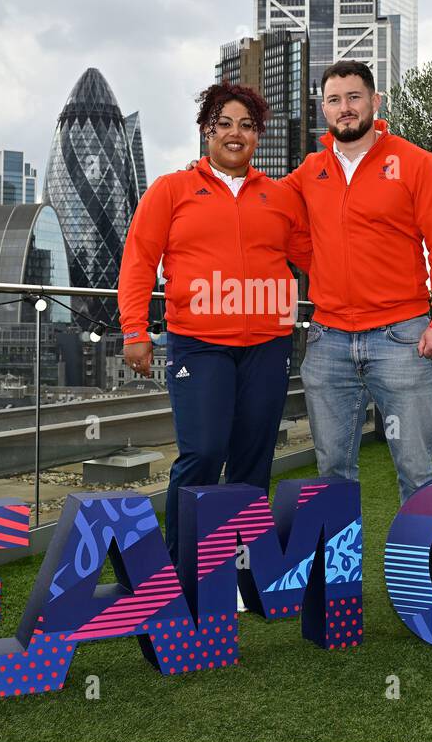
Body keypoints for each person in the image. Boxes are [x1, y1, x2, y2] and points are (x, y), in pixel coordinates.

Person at [118, 83, 312, 562]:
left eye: (246, 126)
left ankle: (236, 571)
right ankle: (179, 572)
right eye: (223, 123)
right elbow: (139, 261)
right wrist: (134, 331)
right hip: (198, 344)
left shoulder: (280, 196)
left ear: (257, 137)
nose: (235, 133)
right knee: (203, 453)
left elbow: (313, 257)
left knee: (252, 461)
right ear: (206, 131)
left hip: (268, 344)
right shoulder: (171, 190)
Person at [284, 59, 432, 508]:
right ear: (322, 108)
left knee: (416, 470)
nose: (344, 108)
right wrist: (207, 170)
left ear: (374, 101)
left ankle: (420, 577)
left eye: (353, 97)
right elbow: (266, 209)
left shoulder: (416, 164)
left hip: (402, 337)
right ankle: (336, 577)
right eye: (334, 100)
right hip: (327, 341)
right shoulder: (309, 171)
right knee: (331, 472)